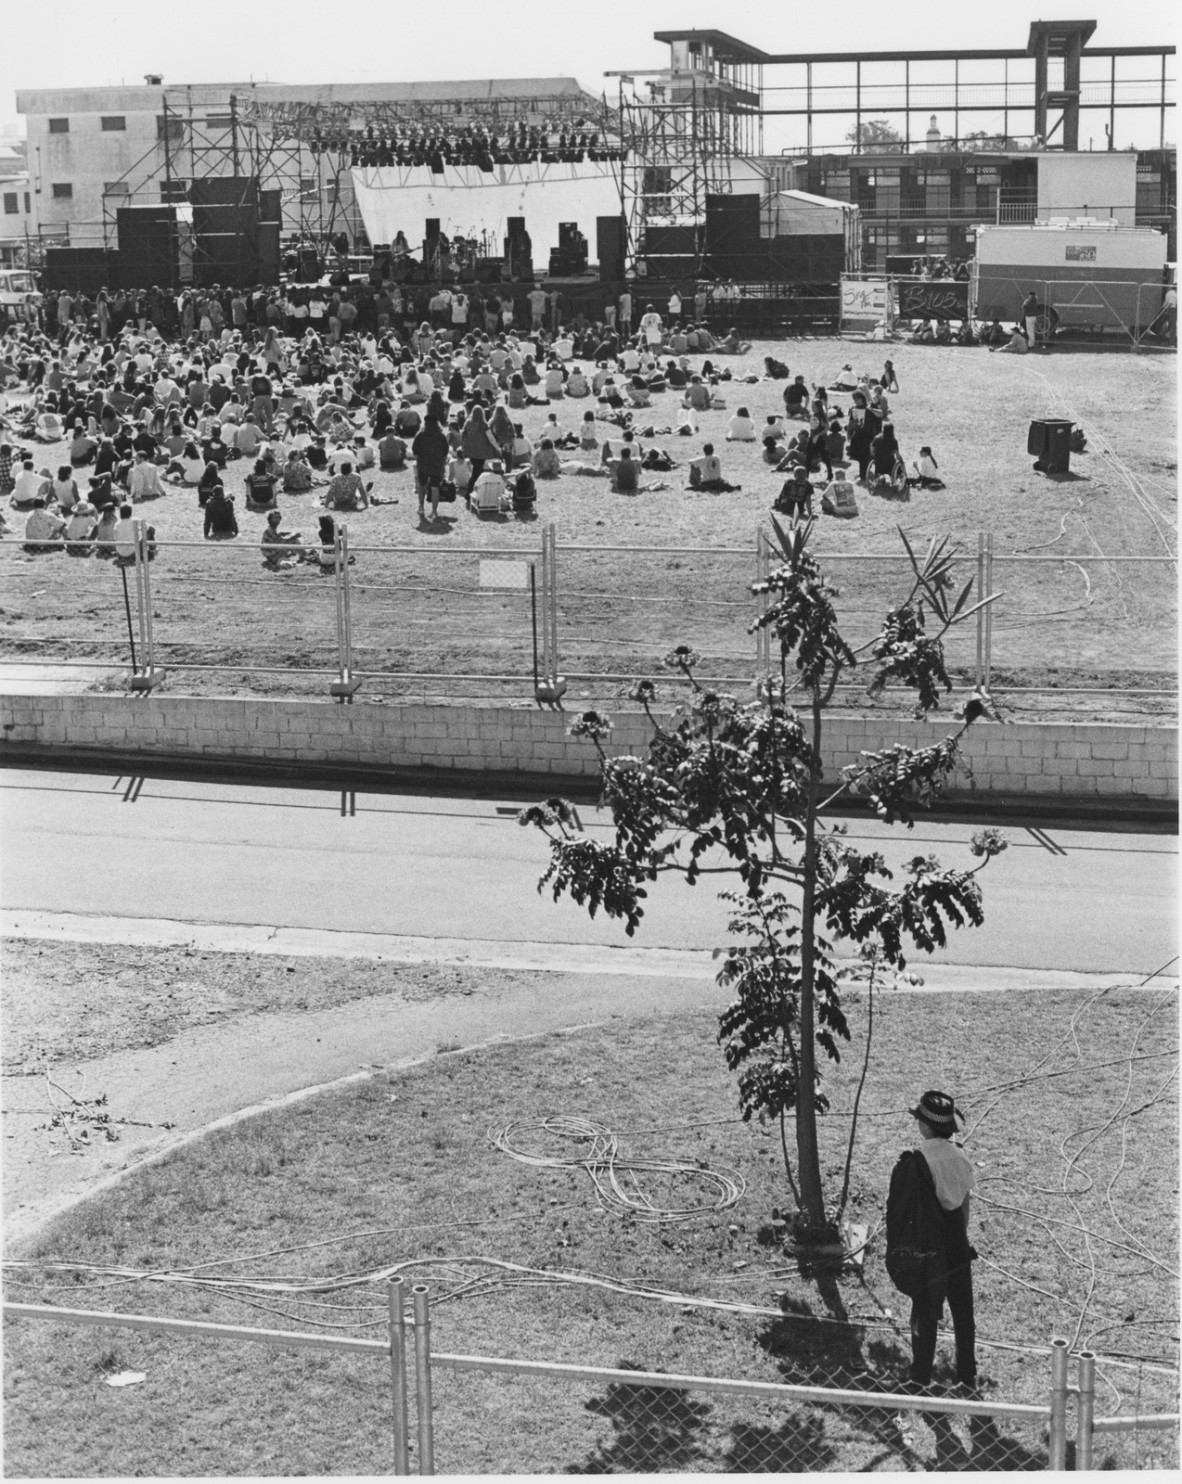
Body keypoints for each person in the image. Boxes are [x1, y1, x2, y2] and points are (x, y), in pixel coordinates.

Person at [901, 1090, 977, 1393]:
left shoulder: (919, 1160)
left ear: (924, 1126)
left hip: (930, 1245)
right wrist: (960, 1234)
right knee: (963, 1312)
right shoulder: (960, 1154)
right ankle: (967, 1374)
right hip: (957, 1237)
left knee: (925, 1311)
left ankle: (920, 1375)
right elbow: (965, 1203)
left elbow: (913, 1212)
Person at [412, 413, 450, 522]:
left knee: (421, 486)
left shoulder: (420, 435)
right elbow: (445, 452)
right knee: (435, 488)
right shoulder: (441, 436)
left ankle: (421, 507)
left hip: (423, 464)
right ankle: (434, 511)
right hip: (437, 465)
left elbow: (415, 451)